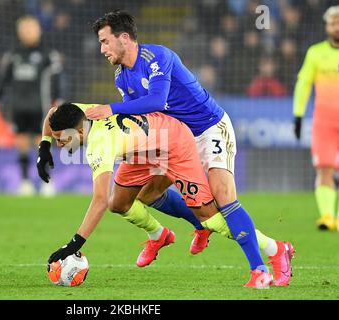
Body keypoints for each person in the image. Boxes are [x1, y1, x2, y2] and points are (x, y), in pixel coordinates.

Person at [72, 10, 294, 285]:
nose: (102, 49)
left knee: (223, 198)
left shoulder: (158, 58)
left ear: (124, 38)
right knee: (136, 196)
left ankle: (266, 261)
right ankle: (185, 228)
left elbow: (156, 100)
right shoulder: (121, 77)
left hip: (207, 128)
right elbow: (139, 118)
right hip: (169, 139)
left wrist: (109, 109)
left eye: (105, 41)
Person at [45, 102, 277, 288]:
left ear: (78, 131)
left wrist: (74, 243)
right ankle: (160, 235)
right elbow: (51, 113)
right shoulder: (82, 112)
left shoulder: (99, 146)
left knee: (212, 219)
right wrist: (43, 146)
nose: (58, 143)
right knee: (119, 203)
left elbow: (99, 201)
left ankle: (274, 248)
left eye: (60, 138)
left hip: (174, 143)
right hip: (144, 147)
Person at [0, 15, 63, 195]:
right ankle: (25, 182)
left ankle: (46, 181)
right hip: (19, 106)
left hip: (41, 106)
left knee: (43, 142)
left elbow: (57, 80)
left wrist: (59, 100)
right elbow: (4, 80)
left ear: (38, 30)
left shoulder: (48, 54)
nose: (28, 32)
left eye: (31, 28)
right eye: (24, 29)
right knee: (21, 141)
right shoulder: (13, 55)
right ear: (19, 32)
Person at [293, 5, 339, 231]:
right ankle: (328, 217)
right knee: (324, 168)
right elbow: (304, 84)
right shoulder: (316, 52)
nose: (337, 27)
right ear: (327, 26)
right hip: (324, 121)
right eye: (333, 23)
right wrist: (298, 115)